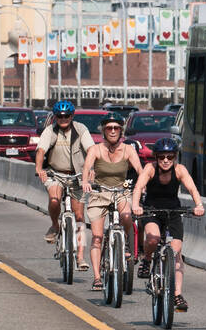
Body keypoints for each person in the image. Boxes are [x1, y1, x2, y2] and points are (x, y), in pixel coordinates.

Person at [131, 136, 204, 312]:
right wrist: (135, 206)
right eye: (162, 157)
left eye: (170, 157)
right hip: (152, 211)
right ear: (156, 157)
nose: (165, 161)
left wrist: (199, 205)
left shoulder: (180, 170)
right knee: (153, 239)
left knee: (176, 253)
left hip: (173, 212)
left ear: (175, 157)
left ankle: (177, 294)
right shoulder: (149, 169)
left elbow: (192, 189)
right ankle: (148, 259)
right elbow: (138, 188)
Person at [80, 113, 142, 292]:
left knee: (127, 216)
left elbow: (139, 169)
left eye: (116, 128)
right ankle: (98, 277)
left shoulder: (128, 149)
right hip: (100, 193)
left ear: (121, 131)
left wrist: (142, 185)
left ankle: (127, 244)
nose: (113, 131)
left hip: (121, 192)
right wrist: (85, 182)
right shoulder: (96, 149)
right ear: (103, 131)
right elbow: (87, 167)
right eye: (109, 128)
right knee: (98, 237)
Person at [35, 100, 92, 270]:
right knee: (54, 200)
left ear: (72, 116)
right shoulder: (50, 130)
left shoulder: (80, 129)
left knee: (80, 216)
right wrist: (39, 169)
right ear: (55, 117)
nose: (63, 119)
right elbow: (41, 150)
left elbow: (91, 150)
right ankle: (55, 225)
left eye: (66, 116)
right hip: (55, 173)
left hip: (78, 175)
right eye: (59, 116)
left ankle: (81, 257)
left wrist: (91, 170)